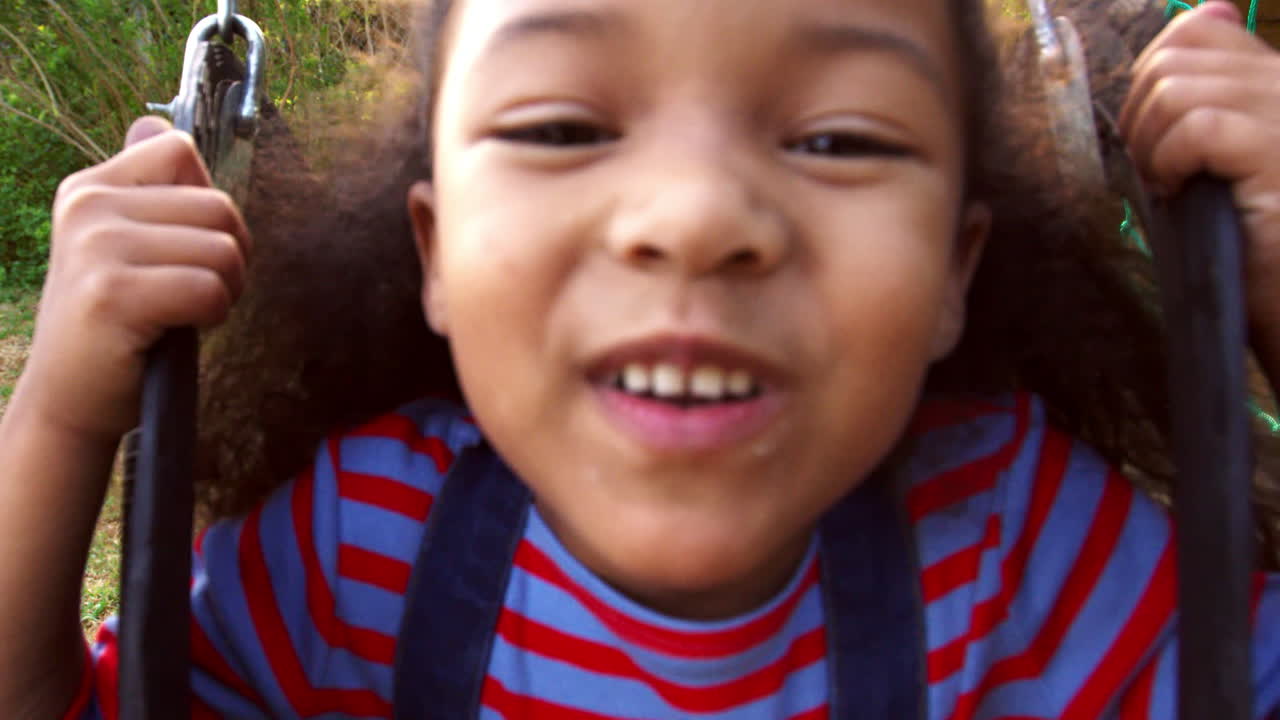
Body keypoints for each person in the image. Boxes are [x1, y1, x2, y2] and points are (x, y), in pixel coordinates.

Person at [3, 0, 1280, 716]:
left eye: (838, 140)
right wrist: (59, 416)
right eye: (562, 126)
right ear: (436, 250)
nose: (693, 217)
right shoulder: (362, 550)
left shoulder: (1022, 549)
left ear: (953, 266)